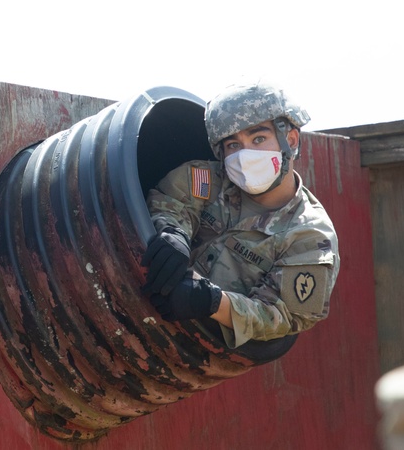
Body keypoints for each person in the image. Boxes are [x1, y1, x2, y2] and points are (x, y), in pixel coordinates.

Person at [141, 80, 339, 350]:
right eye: (233, 144)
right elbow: (171, 202)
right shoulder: (204, 178)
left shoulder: (310, 237)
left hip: (194, 348)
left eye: (258, 139)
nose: (245, 154)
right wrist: (172, 232)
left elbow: (281, 316)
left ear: (290, 140)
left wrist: (211, 302)